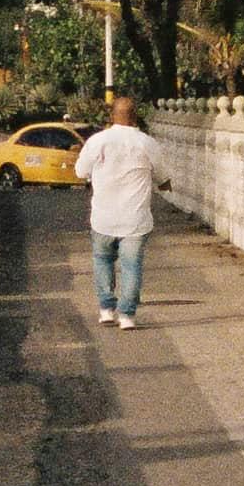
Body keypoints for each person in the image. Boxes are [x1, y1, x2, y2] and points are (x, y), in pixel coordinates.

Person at [75, 95, 167, 330]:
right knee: (131, 266)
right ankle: (126, 315)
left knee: (103, 260)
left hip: (103, 218)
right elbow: (162, 176)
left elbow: (80, 171)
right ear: (135, 116)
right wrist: (163, 183)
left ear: (111, 116)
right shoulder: (147, 143)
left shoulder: (97, 141)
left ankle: (106, 310)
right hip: (135, 219)